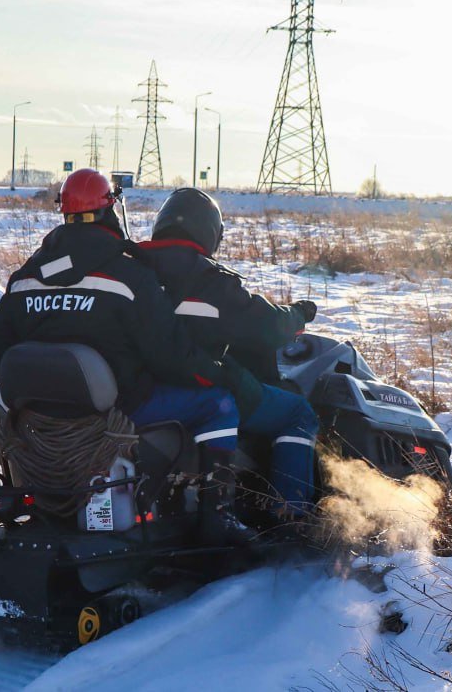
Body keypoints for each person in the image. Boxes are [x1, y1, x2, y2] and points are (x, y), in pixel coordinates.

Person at [0, 169, 262, 541]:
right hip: (118, 411)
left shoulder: (25, 277)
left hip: (40, 421)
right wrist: (217, 372)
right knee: (220, 404)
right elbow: (170, 355)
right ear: (111, 210)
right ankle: (217, 514)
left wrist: (38, 401)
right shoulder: (129, 276)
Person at [136, 187, 320, 520]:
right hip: (204, 386)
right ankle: (291, 516)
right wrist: (297, 315)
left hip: (143, 390)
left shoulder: (133, 266)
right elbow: (265, 327)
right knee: (299, 413)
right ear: (210, 232)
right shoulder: (208, 278)